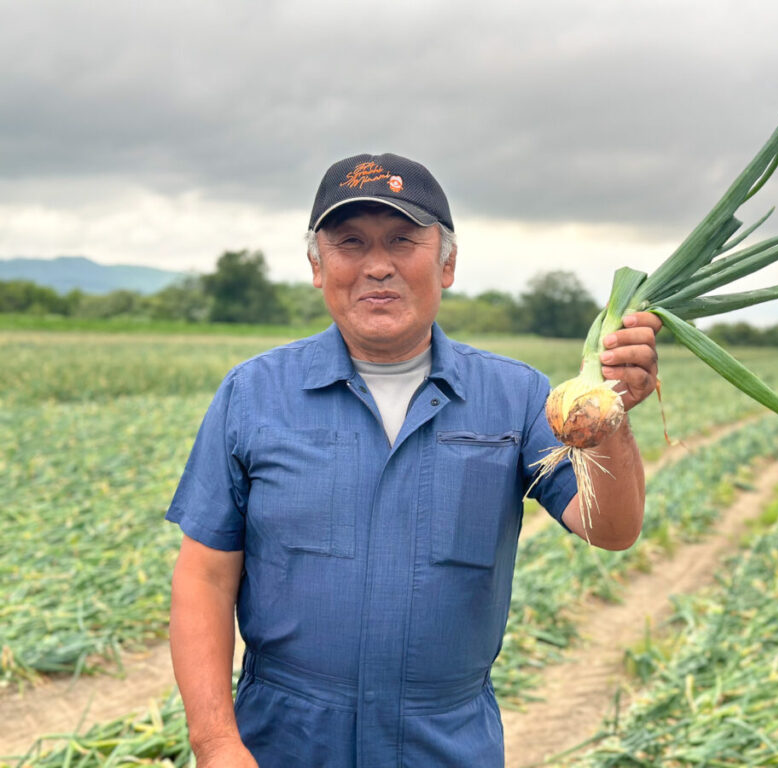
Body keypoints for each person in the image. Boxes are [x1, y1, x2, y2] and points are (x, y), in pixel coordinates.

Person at [166, 153, 661, 767]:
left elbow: (612, 531)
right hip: (284, 741)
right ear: (317, 267)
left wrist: (608, 418)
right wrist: (215, 743)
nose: (378, 266)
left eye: (403, 241)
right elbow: (205, 577)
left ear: (447, 262)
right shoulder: (253, 394)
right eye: (350, 243)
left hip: (446, 742)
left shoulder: (519, 397)